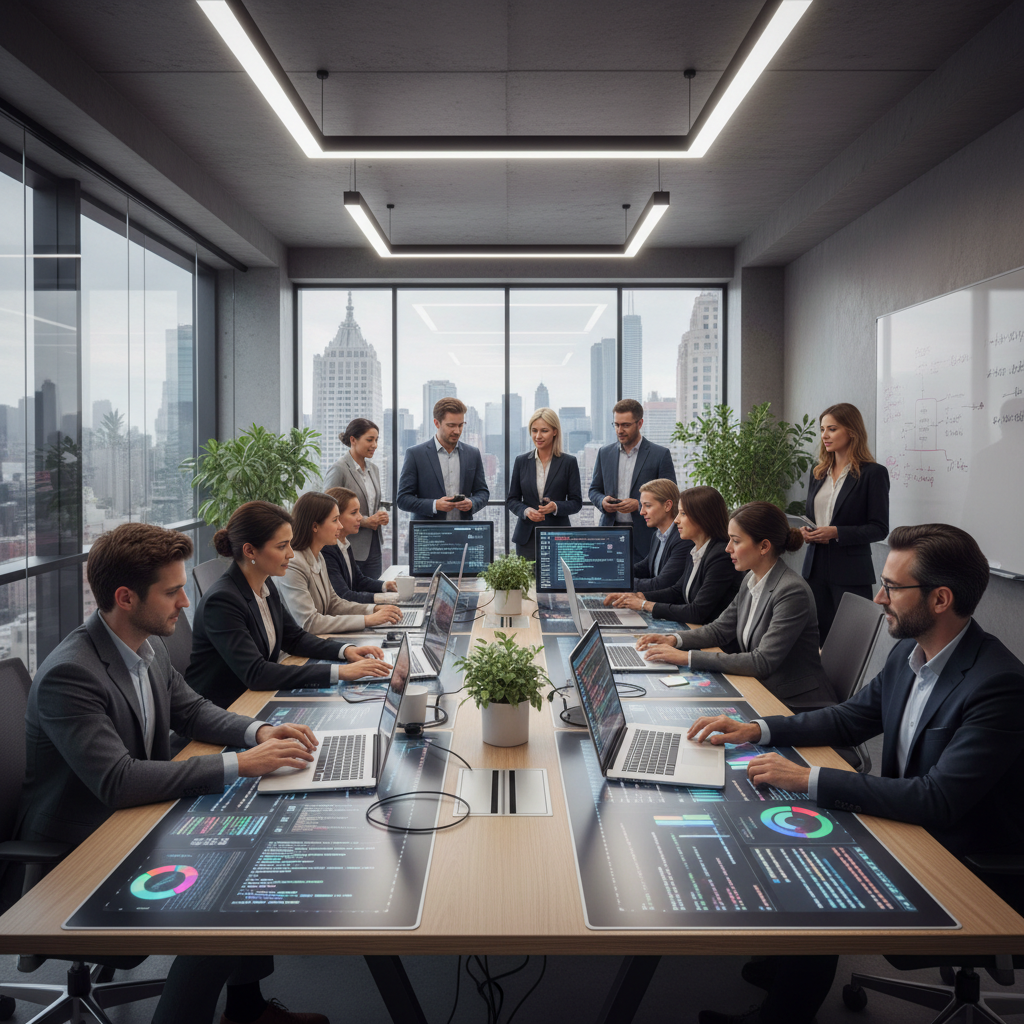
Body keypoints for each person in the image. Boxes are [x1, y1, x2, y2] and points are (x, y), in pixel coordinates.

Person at [688, 523, 1024, 1024]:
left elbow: (937, 800)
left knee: (815, 867)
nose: (879, 597)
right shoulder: (910, 653)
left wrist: (808, 779)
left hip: (969, 862)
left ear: (940, 599)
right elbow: (848, 718)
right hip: (914, 822)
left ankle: (781, 1013)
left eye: (892, 587)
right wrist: (757, 729)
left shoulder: (998, 685)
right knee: (785, 824)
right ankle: (782, 967)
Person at [17, 522, 328, 1024]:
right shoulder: (70, 674)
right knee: (221, 904)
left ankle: (245, 1009)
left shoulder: (145, 645)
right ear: (125, 597)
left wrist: (259, 732)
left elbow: (193, 710)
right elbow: (118, 781)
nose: (185, 603)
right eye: (172, 592)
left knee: (250, 851)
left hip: (137, 819)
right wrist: (239, 764)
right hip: (79, 848)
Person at [187, 501, 392, 710]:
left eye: (289, 544)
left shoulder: (264, 583)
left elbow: (294, 638)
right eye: (281, 546)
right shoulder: (222, 601)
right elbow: (257, 673)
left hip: (253, 699)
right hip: (225, 709)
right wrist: (339, 672)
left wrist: (345, 651)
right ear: (250, 551)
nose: (291, 554)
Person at [637, 501, 835, 710]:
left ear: (764, 546)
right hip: (761, 690)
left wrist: (687, 657)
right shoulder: (751, 578)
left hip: (794, 704)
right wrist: (674, 639)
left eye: (736, 541)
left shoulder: (791, 591)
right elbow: (720, 630)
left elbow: (761, 662)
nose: (727, 548)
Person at [800, 402, 890, 643]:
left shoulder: (873, 473)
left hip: (851, 572)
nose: (824, 436)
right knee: (816, 639)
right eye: (822, 429)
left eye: (832, 429)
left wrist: (837, 532)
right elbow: (814, 517)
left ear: (851, 431)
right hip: (814, 568)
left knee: (850, 642)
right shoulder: (818, 473)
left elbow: (879, 528)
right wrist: (807, 531)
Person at [607, 485, 741, 625]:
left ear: (702, 516)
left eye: (683, 513)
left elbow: (697, 612)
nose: (676, 520)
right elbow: (677, 591)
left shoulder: (721, 556)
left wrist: (644, 604)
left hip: (707, 634)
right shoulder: (696, 550)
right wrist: (639, 596)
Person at [277, 492, 403, 633]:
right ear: (315, 526)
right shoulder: (293, 564)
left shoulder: (319, 557)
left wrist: (373, 609)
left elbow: (334, 603)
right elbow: (309, 623)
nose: (340, 526)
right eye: (335, 520)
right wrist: (367, 620)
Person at [588, 398, 676, 560]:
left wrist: (639, 505)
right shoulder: (604, 453)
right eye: (616, 425)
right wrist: (602, 501)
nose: (619, 430)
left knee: (644, 576)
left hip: (646, 535)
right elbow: (594, 490)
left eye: (625, 425)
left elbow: (670, 498)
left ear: (640, 423)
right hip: (610, 533)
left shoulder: (660, 455)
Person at [506, 407, 583, 559]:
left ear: (555, 432)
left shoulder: (569, 462)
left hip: (559, 536)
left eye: (544, 431)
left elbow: (576, 502)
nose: (538, 436)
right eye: (534, 430)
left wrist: (555, 506)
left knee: (558, 575)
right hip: (526, 538)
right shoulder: (521, 461)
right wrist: (526, 511)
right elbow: (512, 500)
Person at [397, 396, 489, 520]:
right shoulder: (415, 454)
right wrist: (435, 505)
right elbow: (403, 499)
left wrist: (472, 503)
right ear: (437, 423)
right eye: (451, 425)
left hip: (463, 530)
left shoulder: (473, 454)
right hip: (429, 531)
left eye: (460, 425)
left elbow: (482, 492)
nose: (457, 431)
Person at [323, 417, 389, 579]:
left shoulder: (374, 469)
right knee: (353, 591)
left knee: (374, 589)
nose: (375, 445)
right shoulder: (339, 469)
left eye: (376, 440)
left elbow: (372, 502)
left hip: (374, 545)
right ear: (353, 440)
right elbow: (327, 509)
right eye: (370, 440)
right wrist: (365, 521)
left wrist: (380, 515)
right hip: (350, 545)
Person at [601, 478, 689, 597]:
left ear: (667, 506)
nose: (641, 512)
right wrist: (615, 573)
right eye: (641, 506)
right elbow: (645, 567)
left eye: (647, 506)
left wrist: (618, 582)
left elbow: (660, 584)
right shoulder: (657, 535)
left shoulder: (682, 539)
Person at [324, 485, 400, 602]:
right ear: (336, 516)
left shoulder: (345, 543)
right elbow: (343, 595)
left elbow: (359, 580)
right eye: (354, 513)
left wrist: (385, 585)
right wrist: (384, 598)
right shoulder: (327, 550)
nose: (360, 517)